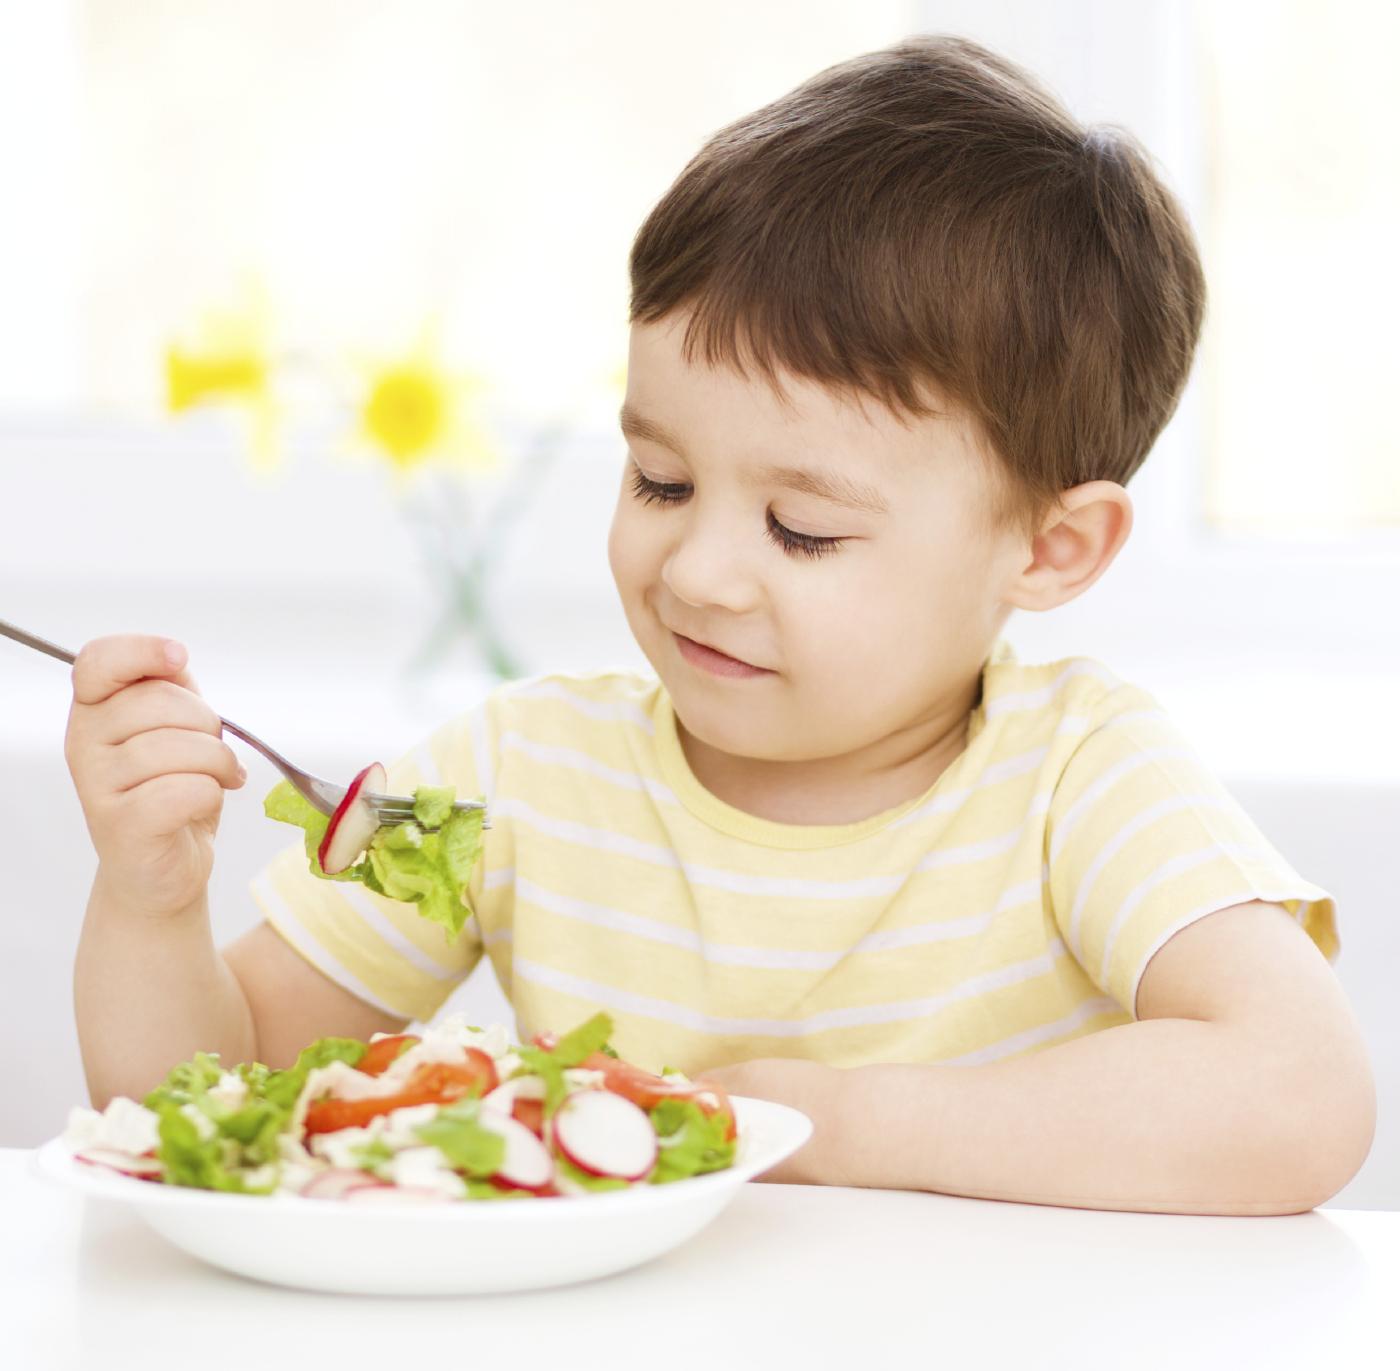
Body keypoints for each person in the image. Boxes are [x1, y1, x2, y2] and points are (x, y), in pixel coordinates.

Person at [65, 34, 1374, 1215]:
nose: (696, 571)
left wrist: (835, 1124)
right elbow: (203, 1103)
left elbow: (1300, 1099)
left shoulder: (1081, 779)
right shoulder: (511, 780)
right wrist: (150, 903)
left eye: (801, 529)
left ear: (1048, 548)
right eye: (661, 481)